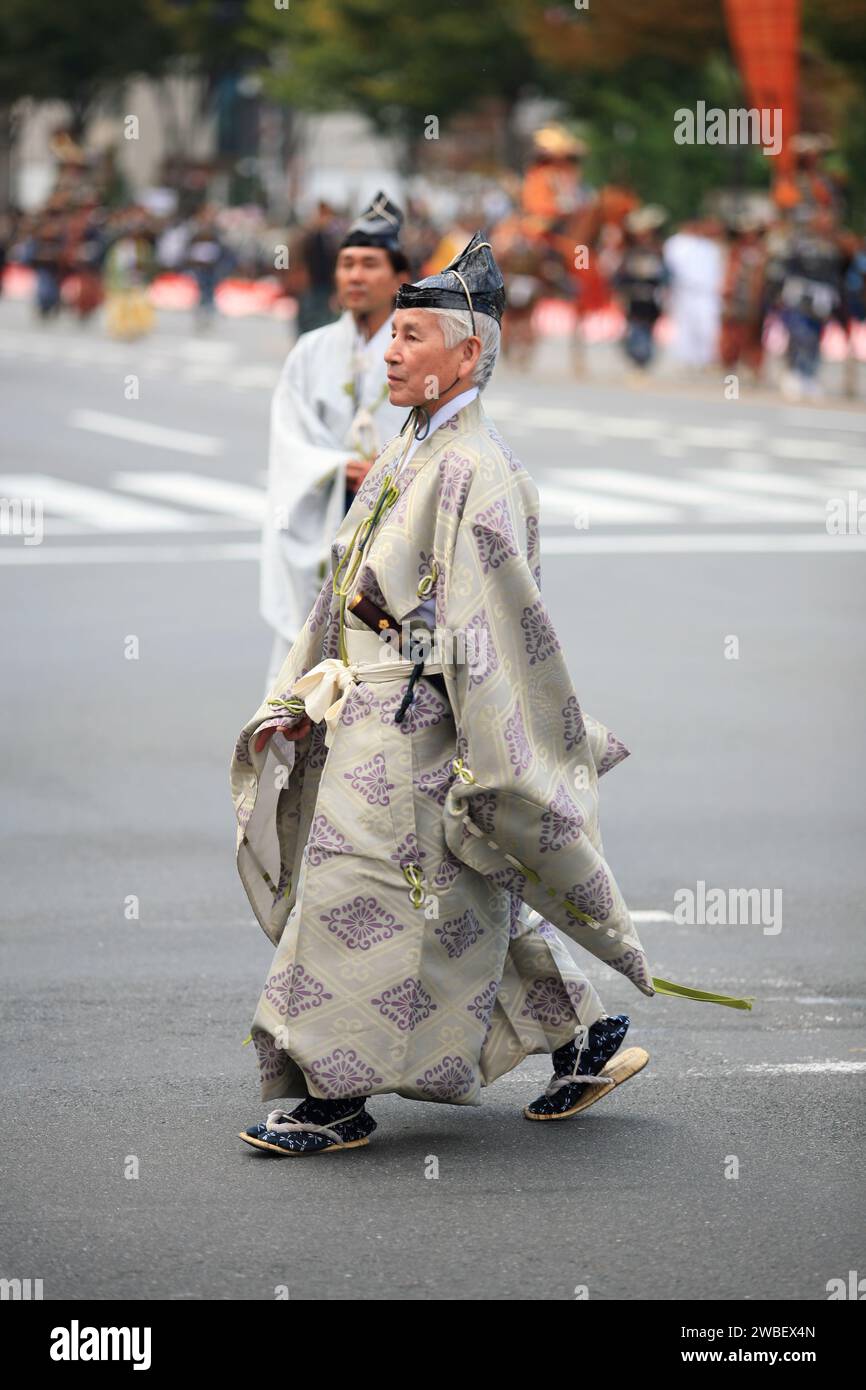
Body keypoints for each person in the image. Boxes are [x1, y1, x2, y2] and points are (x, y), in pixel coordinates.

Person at [230, 233, 751, 1155]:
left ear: (467, 354)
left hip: (418, 723)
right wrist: (302, 691)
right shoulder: (415, 444)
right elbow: (341, 586)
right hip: (373, 706)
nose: (390, 353)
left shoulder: (478, 467)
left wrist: (495, 752)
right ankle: (579, 1036)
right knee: (461, 891)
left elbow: (498, 627)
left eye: (412, 337)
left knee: (352, 891)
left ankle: (332, 1097)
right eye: (392, 335)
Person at [260, 192, 410, 694]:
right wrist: (338, 466)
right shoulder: (311, 351)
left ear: (400, 277)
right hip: (326, 516)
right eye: (347, 264)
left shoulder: (420, 350)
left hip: (393, 525)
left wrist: (387, 474)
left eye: (370, 264)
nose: (355, 276)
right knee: (310, 665)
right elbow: (289, 439)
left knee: (386, 664)